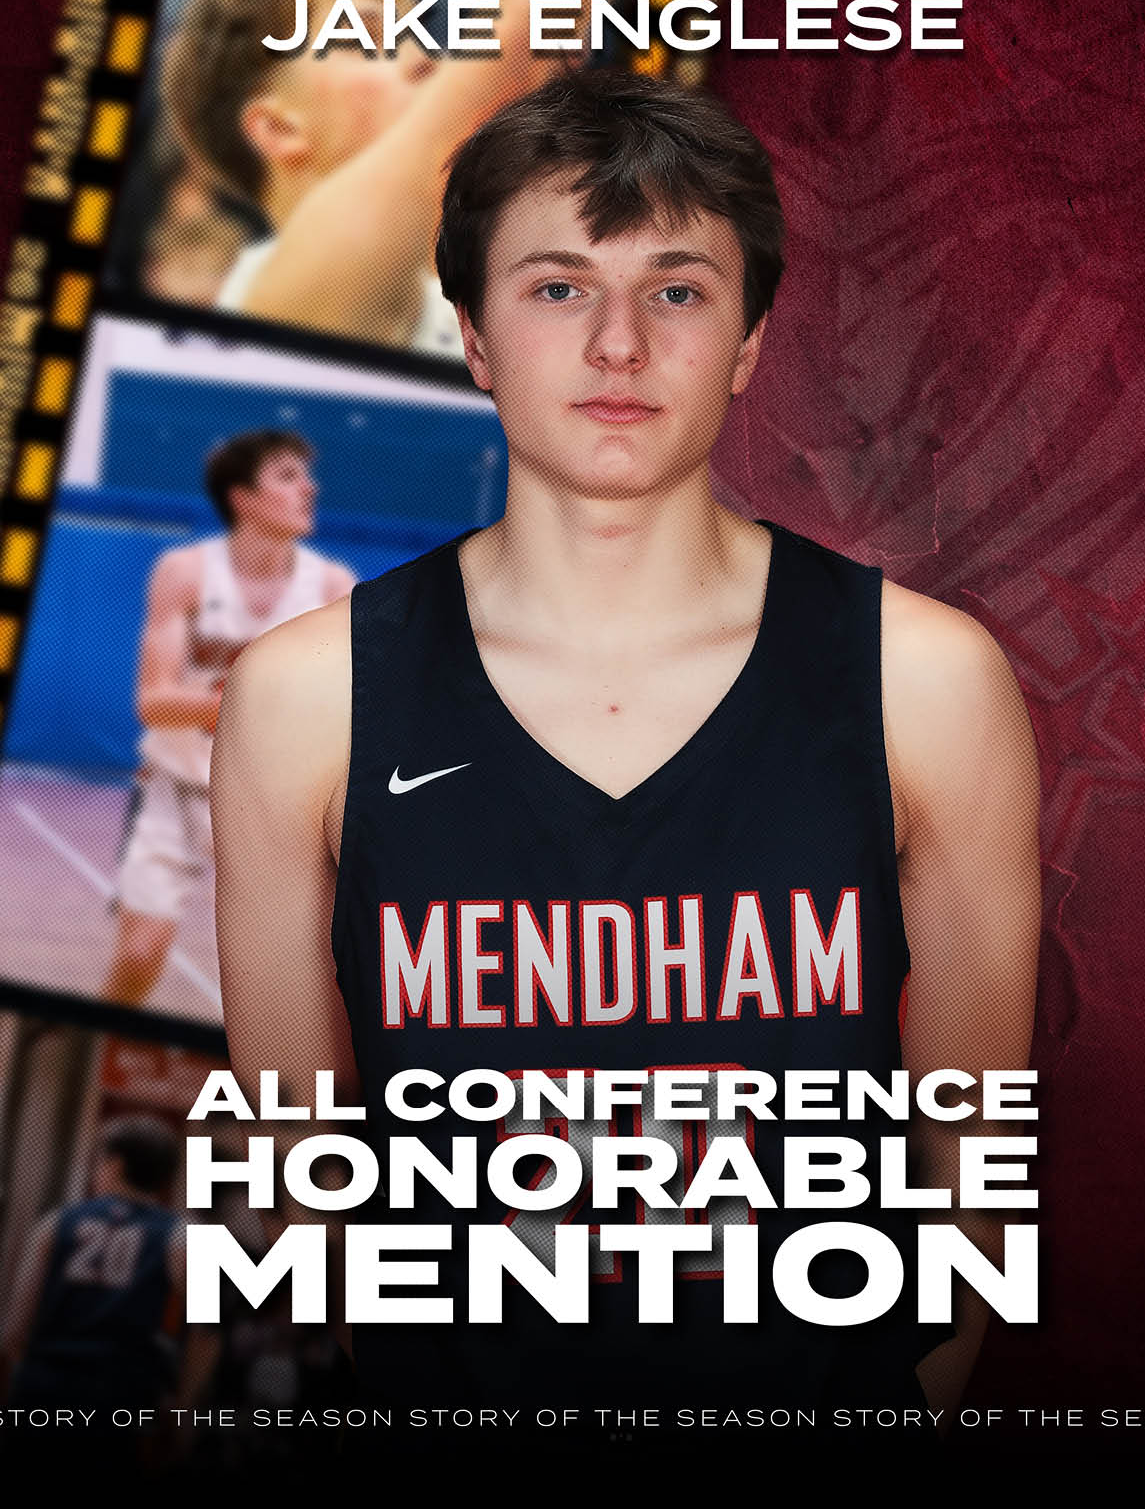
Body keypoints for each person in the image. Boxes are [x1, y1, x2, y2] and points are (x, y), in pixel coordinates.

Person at [211, 70, 1041, 1449]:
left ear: (751, 341)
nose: (615, 344)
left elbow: (977, 1170)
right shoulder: (306, 698)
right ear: (472, 336)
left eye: (675, 290)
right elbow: (298, 1180)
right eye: (554, 288)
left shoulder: (927, 680)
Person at [163, 0, 642, 352]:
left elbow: (531, 21)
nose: (424, 59)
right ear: (281, 128)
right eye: (368, 41)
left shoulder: (458, 288)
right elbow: (527, 10)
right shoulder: (286, 294)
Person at [103, 430, 355, 1010]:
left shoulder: (333, 587)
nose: (308, 488)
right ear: (243, 498)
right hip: (176, 785)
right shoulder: (186, 572)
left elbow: (343, 708)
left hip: (272, 806)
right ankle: (86, 1058)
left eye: (306, 476)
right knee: (139, 958)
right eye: (288, 476)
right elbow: (154, 701)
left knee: (294, 988)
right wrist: (259, 702)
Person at [1, 1115, 217, 1416]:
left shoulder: (56, 1223)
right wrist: (181, 1408)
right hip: (121, 1404)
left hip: (42, 1391)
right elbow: (205, 1336)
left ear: (115, 1165)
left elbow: (14, 1330)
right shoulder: (183, 1238)